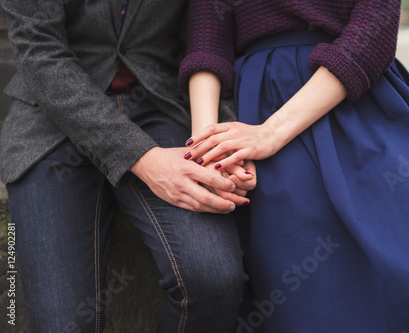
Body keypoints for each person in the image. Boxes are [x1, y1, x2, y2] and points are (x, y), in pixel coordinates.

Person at [178, 0, 409, 332]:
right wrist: (208, 149)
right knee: (306, 281)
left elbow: (373, 33)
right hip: (258, 104)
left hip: (357, 100)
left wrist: (271, 133)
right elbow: (207, 46)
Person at [0, 0, 257, 332]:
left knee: (213, 281)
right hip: (51, 120)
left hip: (161, 106)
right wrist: (144, 160)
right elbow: (39, 50)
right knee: (61, 323)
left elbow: (205, 36)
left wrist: (221, 137)